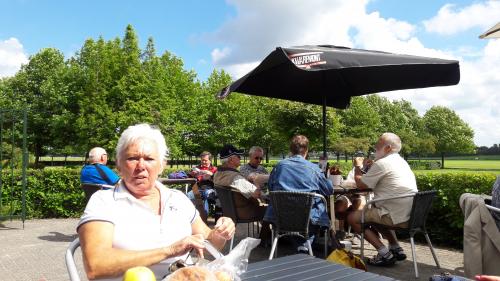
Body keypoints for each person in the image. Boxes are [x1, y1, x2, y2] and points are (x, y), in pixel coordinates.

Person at [77, 124, 235, 280]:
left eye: (149, 159)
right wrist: (170, 250)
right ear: (119, 165)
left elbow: (210, 246)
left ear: (162, 165)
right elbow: (96, 265)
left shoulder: (177, 199)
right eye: (132, 158)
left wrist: (221, 232)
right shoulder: (103, 202)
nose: (141, 166)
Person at [347, 132, 417, 266]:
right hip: (410, 215)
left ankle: (385, 254)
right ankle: (396, 248)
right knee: (374, 210)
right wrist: (369, 168)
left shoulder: (382, 163)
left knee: (352, 218)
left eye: (378, 145)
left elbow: (361, 185)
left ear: (388, 148)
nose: (375, 148)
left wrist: (357, 167)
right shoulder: (401, 162)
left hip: (394, 216)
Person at [264, 135, 333, 253]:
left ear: (291, 150)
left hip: (281, 217)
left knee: (293, 218)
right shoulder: (314, 169)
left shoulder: (279, 166)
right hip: (308, 219)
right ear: (306, 150)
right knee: (315, 212)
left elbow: (270, 188)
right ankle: (305, 246)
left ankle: (301, 246)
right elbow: (328, 190)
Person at [213, 144, 271, 242]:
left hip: (231, 211)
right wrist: (256, 181)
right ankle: (267, 239)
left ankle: (267, 238)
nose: (241, 158)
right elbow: (256, 193)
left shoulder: (218, 174)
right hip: (245, 212)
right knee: (272, 210)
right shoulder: (235, 177)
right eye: (238, 156)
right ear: (231, 159)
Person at [187, 151, 218, 216]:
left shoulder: (214, 169)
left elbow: (218, 181)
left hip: (210, 188)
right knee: (189, 195)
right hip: (197, 188)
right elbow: (188, 178)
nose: (203, 162)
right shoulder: (196, 168)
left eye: (205, 160)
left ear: (210, 160)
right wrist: (191, 175)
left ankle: (204, 216)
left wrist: (211, 176)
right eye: (202, 160)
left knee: (207, 194)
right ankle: (191, 216)